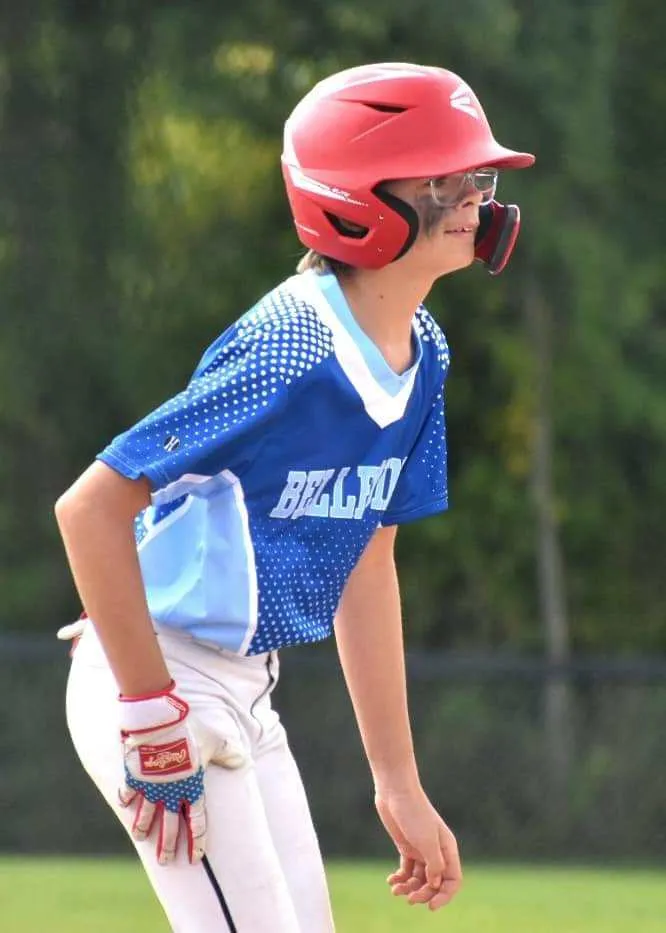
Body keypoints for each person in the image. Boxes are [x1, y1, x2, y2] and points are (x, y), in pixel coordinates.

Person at [55, 62, 534, 933]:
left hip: (246, 689)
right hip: (159, 678)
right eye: (443, 177)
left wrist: (397, 779)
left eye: (476, 174)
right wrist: (148, 712)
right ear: (354, 200)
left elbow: (369, 562)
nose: (474, 196)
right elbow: (88, 508)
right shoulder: (290, 348)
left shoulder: (423, 351)